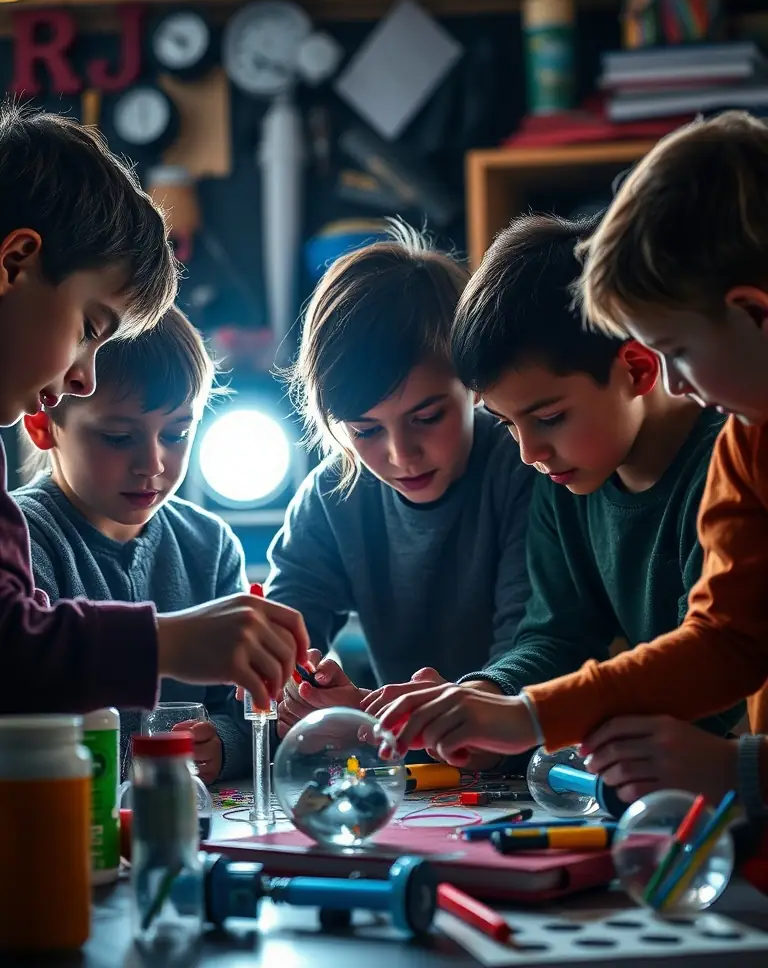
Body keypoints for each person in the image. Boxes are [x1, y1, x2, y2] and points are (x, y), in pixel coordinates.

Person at [377, 112, 768, 816]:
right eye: (509, 424)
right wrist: (503, 700)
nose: (528, 452)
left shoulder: (722, 442)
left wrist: (738, 768)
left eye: (678, 352)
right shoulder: (747, 439)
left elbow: (719, 664)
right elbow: (723, 641)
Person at [0, 103, 308, 714]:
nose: (83, 376)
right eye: (91, 327)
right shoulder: (37, 529)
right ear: (16, 264)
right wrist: (167, 641)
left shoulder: (203, 543)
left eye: (176, 433)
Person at [266, 224, 533, 754]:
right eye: (364, 431)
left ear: (474, 386)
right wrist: (303, 688)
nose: (400, 454)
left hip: (525, 762)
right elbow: (285, 625)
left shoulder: (525, 468)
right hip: (409, 773)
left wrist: (478, 702)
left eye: (428, 417)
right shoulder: (332, 494)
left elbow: (533, 650)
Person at [16, 307, 252, 783]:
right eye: (119, 437)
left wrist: (221, 744)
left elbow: (242, 714)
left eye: (178, 433)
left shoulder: (210, 547)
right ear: (44, 426)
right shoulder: (22, 537)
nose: (152, 463)